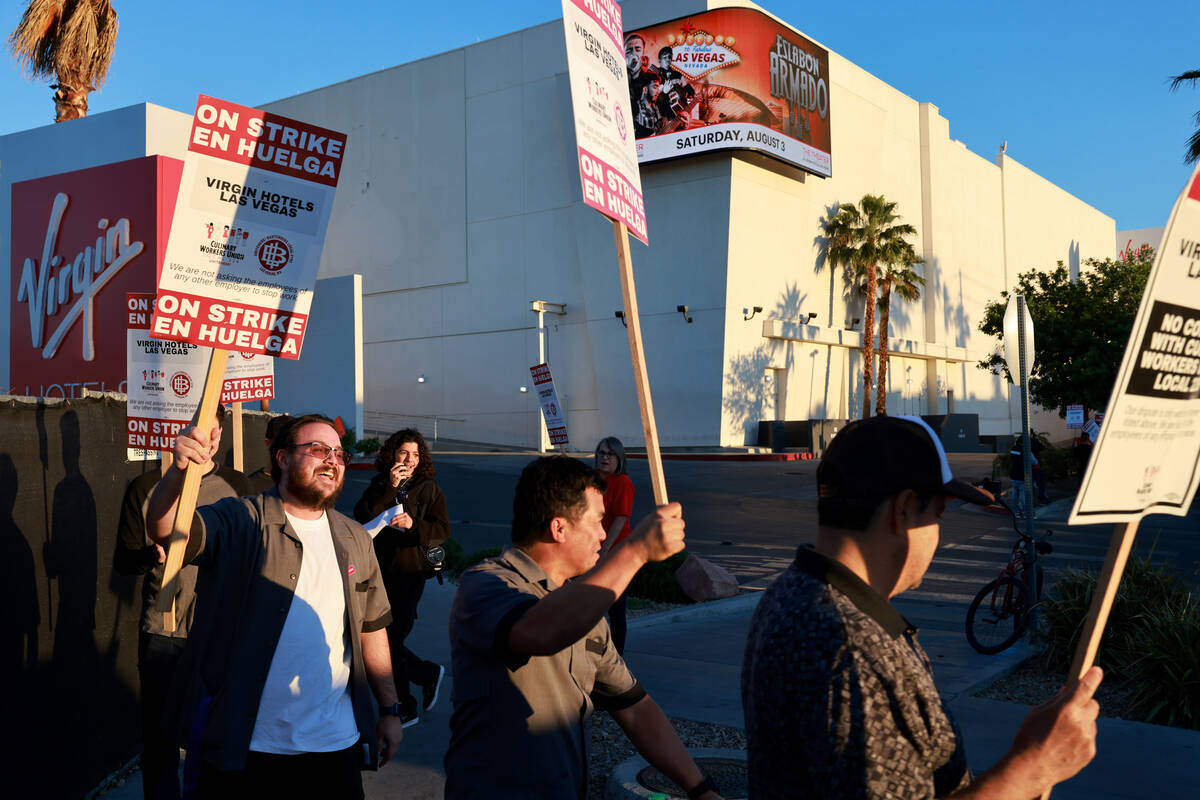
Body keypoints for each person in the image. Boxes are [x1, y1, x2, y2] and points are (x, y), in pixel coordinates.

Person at [742, 415, 1102, 799]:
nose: (937, 532)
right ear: (904, 509)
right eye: (938, 516)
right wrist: (1032, 767)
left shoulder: (791, 590)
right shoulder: (848, 649)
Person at [144, 413, 404, 798]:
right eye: (317, 449)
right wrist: (180, 474)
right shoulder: (241, 519)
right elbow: (165, 530)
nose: (332, 459)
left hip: (334, 747)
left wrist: (390, 710)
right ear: (282, 459)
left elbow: (371, 627)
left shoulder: (354, 538)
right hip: (246, 747)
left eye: (338, 453)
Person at [444, 456, 723, 800]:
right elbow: (539, 632)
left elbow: (635, 709)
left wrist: (702, 790)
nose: (605, 534)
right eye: (598, 521)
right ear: (559, 528)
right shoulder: (486, 585)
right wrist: (635, 550)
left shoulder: (584, 608)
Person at [113, 407, 248, 800]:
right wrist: (151, 554)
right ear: (182, 432)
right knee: (160, 741)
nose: (207, 441)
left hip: (219, 627)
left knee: (215, 736)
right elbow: (124, 560)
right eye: (199, 432)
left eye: (214, 433)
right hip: (163, 629)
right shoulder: (146, 487)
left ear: (221, 436)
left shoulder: (238, 485)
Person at [353, 428, 449, 727]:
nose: (409, 459)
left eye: (415, 454)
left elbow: (441, 530)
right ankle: (425, 674)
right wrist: (389, 489)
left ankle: (403, 705)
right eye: (404, 453)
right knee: (382, 638)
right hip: (378, 571)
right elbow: (363, 515)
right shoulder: (381, 483)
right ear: (392, 455)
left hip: (410, 573)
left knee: (390, 638)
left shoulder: (429, 489)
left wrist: (413, 524)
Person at [595, 436, 634, 654]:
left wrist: (605, 550)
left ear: (619, 458)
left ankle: (617, 657)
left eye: (609, 454)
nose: (604, 458)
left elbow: (621, 518)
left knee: (616, 608)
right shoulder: (592, 480)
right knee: (593, 606)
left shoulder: (623, 483)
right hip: (594, 549)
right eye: (601, 453)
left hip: (617, 551)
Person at [243, 413, 291, 494]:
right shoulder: (248, 486)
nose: (288, 448)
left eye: (295, 443)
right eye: (282, 442)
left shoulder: (307, 485)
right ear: (268, 443)